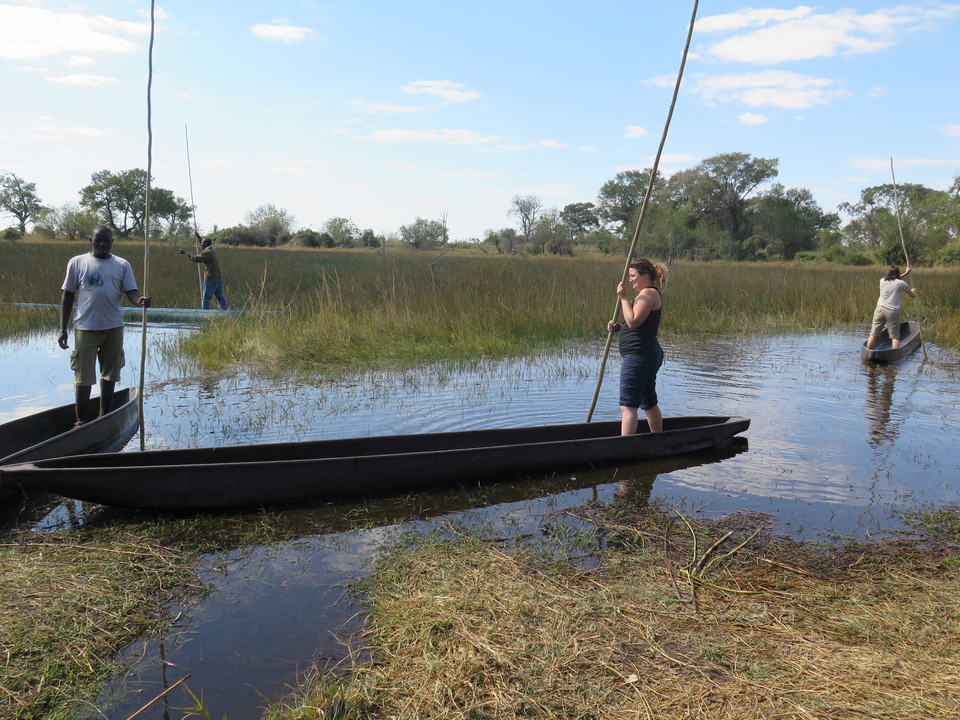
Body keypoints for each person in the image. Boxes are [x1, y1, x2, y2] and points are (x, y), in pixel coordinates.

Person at [58, 225, 151, 426]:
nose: (102, 244)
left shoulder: (122, 264)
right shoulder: (77, 262)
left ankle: (103, 417)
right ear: (90, 240)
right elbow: (67, 296)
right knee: (83, 378)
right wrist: (63, 329)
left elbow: (131, 292)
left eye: (106, 241)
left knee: (109, 375)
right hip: (85, 327)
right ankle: (80, 421)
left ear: (111, 242)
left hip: (113, 326)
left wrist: (139, 301)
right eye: (98, 240)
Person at [607, 258, 668, 436]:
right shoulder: (644, 294)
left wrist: (624, 298)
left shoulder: (648, 294)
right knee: (648, 401)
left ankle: (626, 448)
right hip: (644, 355)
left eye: (633, 276)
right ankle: (658, 439)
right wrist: (619, 327)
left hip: (640, 356)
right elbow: (634, 323)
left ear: (645, 276)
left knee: (628, 406)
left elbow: (633, 322)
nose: (630, 280)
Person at [866, 265, 916, 350]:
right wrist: (914, 292)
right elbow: (912, 296)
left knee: (873, 335)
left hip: (879, 310)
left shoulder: (882, 280)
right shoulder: (901, 283)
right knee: (895, 337)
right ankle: (894, 355)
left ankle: (869, 354)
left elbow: (895, 280)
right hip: (892, 311)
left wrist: (906, 273)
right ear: (897, 273)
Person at [179, 231, 227, 310]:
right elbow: (204, 244)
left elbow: (196, 258)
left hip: (211, 279)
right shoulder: (212, 250)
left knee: (206, 299)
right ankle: (225, 312)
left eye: (202, 243)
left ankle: (205, 315)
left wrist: (185, 253)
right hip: (218, 278)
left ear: (206, 244)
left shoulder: (208, 253)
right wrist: (199, 238)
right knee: (220, 297)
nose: (201, 244)